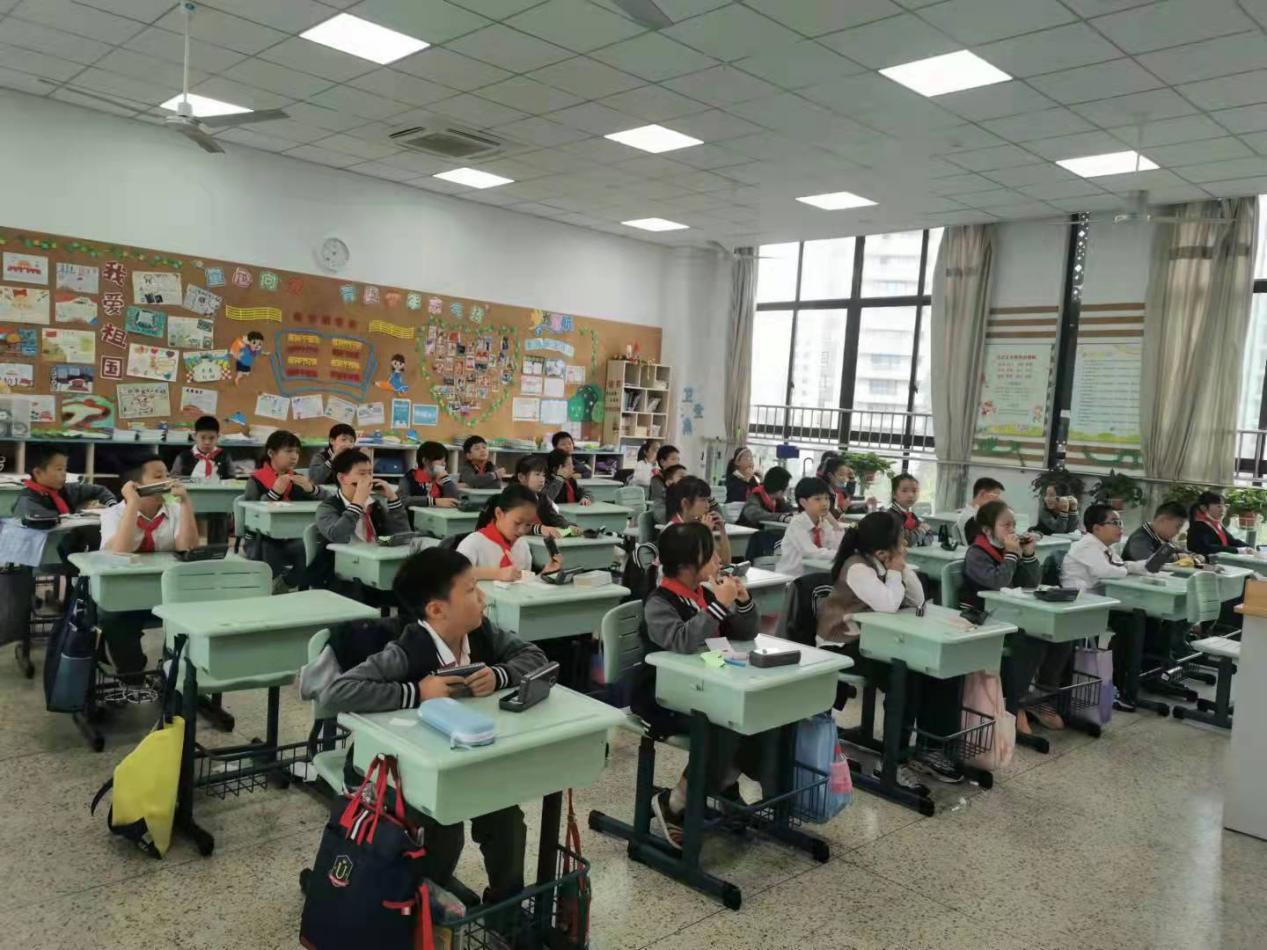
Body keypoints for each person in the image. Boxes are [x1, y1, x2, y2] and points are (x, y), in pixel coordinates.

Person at [321, 547, 548, 907]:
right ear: (437, 610)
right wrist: (416, 692)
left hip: (466, 757)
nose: (483, 597)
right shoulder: (407, 650)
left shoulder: (483, 633)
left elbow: (535, 657)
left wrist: (501, 674)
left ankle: (505, 907)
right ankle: (423, 899)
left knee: (505, 818)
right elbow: (336, 693)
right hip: (398, 770)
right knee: (444, 826)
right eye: (471, 590)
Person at [633, 523, 764, 849]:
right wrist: (718, 607)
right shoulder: (659, 602)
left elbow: (744, 633)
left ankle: (722, 786)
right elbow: (681, 641)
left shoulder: (704, 593)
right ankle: (675, 803)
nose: (719, 561)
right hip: (664, 695)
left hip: (707, 687)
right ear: (688, 563)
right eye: (711, 555)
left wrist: (742, 602)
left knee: (753, 715)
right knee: (723, 724)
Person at [817, 512, 965, 784]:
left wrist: (902, 567)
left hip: (876, 639)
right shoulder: (857, 566)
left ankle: (929, 749)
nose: (905, 543)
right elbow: (887, 605)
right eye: (900, 540)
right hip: (843, 645)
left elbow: (918, 600)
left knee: (937, 668)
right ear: (882, 549)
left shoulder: (883, 562)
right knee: (906, 674)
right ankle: (892, 760)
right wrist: (895, 572)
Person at [962, 501, 1069, 735]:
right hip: (981, 618)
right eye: (1006, 525)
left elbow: (1031, 584)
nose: (1012, 530)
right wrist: (1011, 554)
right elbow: (997, 582)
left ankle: (1040, 698)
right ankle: (1015, 705)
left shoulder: (1008, 549)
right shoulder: (977, 553)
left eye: (1013, 525)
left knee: (1061, 636)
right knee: (1030, 640)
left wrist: (1028, 554)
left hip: (1011, 614)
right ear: (988, 530)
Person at [98, 457, 200, 675]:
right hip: (124, 595)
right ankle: (132, 676)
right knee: (114, 619)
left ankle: (171, 672)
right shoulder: (113, 514)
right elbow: (119, 552)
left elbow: (188, 548)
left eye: (167, 475)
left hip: (165, 592)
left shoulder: (174, 509)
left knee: (190, 612)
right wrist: (133, 505)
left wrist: (185, 503)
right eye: (158, 476)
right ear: (137, 485)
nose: (167, 481)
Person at [1063, 504, 1160, 708]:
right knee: (1130, 624)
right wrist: (1126, 570)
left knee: (1139, 620)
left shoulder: (1105, 547)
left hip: (1099, 602)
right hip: (1081, 606)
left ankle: (1126, 680)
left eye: (1120, 522)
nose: (1120, 527)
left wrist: (1145, 566)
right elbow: (1107, 571)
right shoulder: (1086, 546)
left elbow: (1119, 565)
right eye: (1114, 522)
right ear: (1097, 528)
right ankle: (1119, 684)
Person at [312, 449, 410, 588]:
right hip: (341, 571)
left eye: (370, 473)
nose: (368, 479)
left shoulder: (374, 505)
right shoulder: (327, 508)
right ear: (342, 478)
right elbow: (338, 536)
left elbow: (397, 535)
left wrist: (393, 500)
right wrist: (357, 503)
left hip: (374, 562)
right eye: (362, 473)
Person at [243, 430, 320, 590]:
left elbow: (319, 504)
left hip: (294, 535)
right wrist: (274, 493)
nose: (294, 456)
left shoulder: (298, 479)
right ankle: (268, 587)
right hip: (261, 539)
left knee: (309, 547)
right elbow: (251, 513)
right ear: (271, 453)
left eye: (297, 452)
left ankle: (286, 584)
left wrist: (311, 489)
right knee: (270, 547)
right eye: (289, 451)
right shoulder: (256, 479)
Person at [458, 484, 561, 581]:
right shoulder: (473, 543)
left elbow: (524, 584)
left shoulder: (522, 545)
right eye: (517, 523)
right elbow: (456, 574)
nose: (522, 530)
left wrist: (543, 574)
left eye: (528, 525)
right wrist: (497, 574)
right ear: (499, 514)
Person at [14, 446, 115, 520]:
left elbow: (99, 490)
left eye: (65, 469)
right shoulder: (27, 500)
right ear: (38, 472)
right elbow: (46, 521)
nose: (64, 474)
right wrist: (82, 512)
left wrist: (111, 507)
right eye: (59, 469)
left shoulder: (66, 490)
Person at [776, 476, 845, 576]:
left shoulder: (823, 523)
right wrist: (841, 554)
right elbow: (810, 552)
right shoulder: (797, 523)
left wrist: (834, 523)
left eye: (826, 498)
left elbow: (837, 546)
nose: (824, 503)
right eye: (818, 499)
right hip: (791, 577)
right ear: (803, 502)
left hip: (814, 574)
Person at [663, 475, 731, 564]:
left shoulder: (696, 525)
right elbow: (700, 566)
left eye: (708, 500)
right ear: (685, 503)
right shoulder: (673, 531)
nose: (707, 506)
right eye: (703, 500)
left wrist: (722, 530)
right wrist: (706, 533)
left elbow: (724, 562)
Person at [1187, 491, 1254, 556]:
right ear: (1204, 508)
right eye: (1218, 506)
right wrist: (1237, 550)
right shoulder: (1198, 526)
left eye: (1224, 506)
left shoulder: (1216, 524)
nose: (1222, 510)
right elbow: (1207, 548)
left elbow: (1232, 541)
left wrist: (1248, 547)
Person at [514, 455, 569, 535]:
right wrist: (540, 529)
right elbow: (517, 526)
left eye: (543, 475)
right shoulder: (514, 498)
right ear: (521, 477)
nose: (542, 479)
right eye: (537, 474)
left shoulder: (542, 497)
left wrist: (568, 526)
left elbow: (555, 518)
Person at [171, 415, 234, 480]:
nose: (207, 442)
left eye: (212, 438)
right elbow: (174, 478)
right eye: (203, 437)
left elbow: (232, 478)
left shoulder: (224, 456)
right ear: (194, 436)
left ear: (218, 437)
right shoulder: (183, 457)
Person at [1123, 502, 1189, 563]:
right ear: (1163, 520)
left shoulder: (1160, 538)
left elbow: (1177, 551)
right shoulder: (1139, 538)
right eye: (1177, 527)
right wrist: (1176, 557)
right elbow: (1149, 561)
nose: (1178, 532)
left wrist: (1190, 555)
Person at [401, 441, 460, 508]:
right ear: (425, 461)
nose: (444, 464)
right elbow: (402, 499)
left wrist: (447, 480)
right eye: (440, 460)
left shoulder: (443, 479)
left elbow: (454, 501)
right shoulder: (410, 477)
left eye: (445, 461)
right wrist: (434, 501)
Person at [955, 477, 1004, 544]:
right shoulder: (972, 519)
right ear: (982, 494)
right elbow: (981, 545)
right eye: (996, 496)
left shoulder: (976, 514)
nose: (998, 501)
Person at [889, 473, 930, 548]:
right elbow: (907, 541)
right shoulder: (891, 517)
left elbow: (930, 535)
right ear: (894, 494)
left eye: (914, 491)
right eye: (904, 491)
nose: (911, 495)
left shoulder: (912, 515)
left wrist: (918, 539)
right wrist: (921, 531)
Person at [647, 444, 681, 525]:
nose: (677, 462)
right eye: (673, 459)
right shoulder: (656, 479)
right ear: (662, 462)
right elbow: (665, 496)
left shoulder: (678, 477)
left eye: (678, 459)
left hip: (677, 510)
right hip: (663, 512)